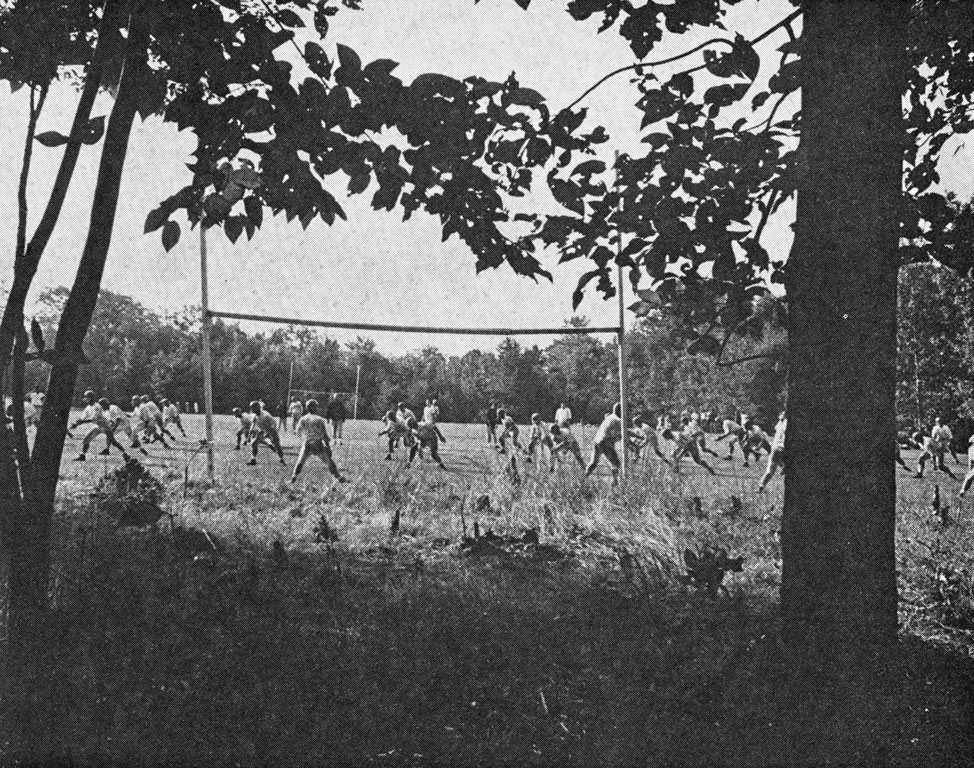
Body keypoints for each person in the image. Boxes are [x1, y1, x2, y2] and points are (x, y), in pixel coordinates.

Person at [290, 399, 346, 483]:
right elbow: (324, 435)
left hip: (307, 444)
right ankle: (338, 476)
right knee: (328, 461)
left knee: (300, 461)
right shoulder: (319, 419)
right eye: (316, 407)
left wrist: (304, 439)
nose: (317, 408)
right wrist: (328, 447)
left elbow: (297, 431)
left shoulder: (303, 419)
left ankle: (294, 476)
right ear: (312, 408)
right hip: (317, 444)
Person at [71, 392, 129, 461]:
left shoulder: (97, 406)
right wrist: (76, 424)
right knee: (86, 439)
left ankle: (125, 453)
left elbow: (93, 418)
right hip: (97, 426)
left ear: (90, 398)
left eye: (86, 397)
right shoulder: (88, 407)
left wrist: (82, 422)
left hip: (104, 426)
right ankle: (82, 456)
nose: (85, 399)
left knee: (113, 441)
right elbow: (83, 418)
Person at [585, 403, 624, 485]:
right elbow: (624, 433)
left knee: (593, 463)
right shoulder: (618, 420)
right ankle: (615, 482)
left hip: (597, 441)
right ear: (620, 410)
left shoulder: (608, 418)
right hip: (605, 442)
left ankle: (584, 478)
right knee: (616, 464)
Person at [246, 401, 286, 466]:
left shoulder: (265, 415)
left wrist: (269, 433)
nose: (251, 409)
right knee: (254, 443)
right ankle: (253, 460)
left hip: (272, 432)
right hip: (263, 432)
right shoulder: (255, 415)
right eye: (251, 407)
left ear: (257, 407)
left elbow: (274, 424)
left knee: (277, 447)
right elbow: (253, 424)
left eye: (252, 407)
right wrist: (249, 435)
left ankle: (281, 459)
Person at [758, 413, 787, 491]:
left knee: (770, 470)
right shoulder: (790, 424)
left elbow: (775, 428)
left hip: (775, 448)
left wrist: (781, 419)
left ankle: (762, 485)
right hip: (784, 449)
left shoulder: (781, 423)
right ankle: (784, 467)